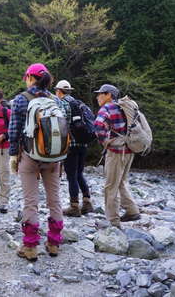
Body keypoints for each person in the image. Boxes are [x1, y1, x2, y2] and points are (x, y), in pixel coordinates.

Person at [8, 63, 67, 261]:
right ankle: (54, 243)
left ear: (30, 78)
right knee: (54, 200)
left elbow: (14, 131)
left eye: (26, 76)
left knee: (31, 202)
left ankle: (30, 247)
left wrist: (14, 155)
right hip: (53, 157)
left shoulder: (20, 100)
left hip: (30, 157)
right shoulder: (55, 100)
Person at [93, 84, 141, 229]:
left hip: (116, 152)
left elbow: (98, 126)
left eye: (100, 94)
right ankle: (132, 211)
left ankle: (113, 221)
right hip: (129, 150)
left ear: (108, 95)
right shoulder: (125, 108)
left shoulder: (107, 108)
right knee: (120, 181)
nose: (97, 97)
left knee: (110, 186)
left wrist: (104, 142)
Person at [54, 80, 94, 217]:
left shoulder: (62, 103)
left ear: (59, 91)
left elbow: (61, 123)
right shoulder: (79, 103)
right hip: (83, 144)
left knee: (71, 175)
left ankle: (74, 206)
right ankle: (87, 201)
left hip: (70, 145)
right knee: (79, 173)